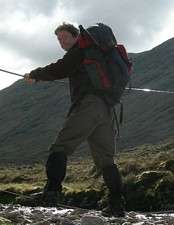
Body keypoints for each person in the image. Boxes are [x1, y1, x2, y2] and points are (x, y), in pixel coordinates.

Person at [24, 22, 125, 217]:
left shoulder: (80, 52)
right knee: (106, 160)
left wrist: (35, 75)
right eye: (59, 40)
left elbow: (58, 69)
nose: (62, 42)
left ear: (76, 35)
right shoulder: (95, 53)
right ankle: (117, 205)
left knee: (60, 147)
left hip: (89, 106)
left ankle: (51, 193)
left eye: (65, 37)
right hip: (107, 110)